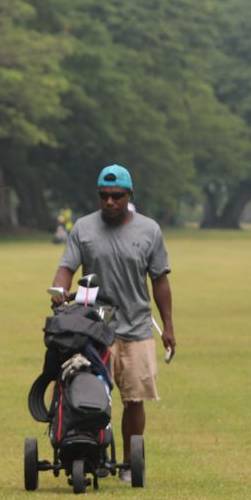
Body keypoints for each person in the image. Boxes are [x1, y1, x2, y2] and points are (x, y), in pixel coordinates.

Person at [51, 164, 176, 458]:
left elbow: (160, 281)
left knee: (134, 400)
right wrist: (59, 292)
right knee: (89, 393)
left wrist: (168, 326)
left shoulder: (149, 230)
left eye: (116, 196)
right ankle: (93, 452)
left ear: (129, 195)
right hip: (94, 329)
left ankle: (131, 462)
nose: (109, 202)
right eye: (104, 195)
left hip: (137, 329)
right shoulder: (84, 227)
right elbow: (66, 268)